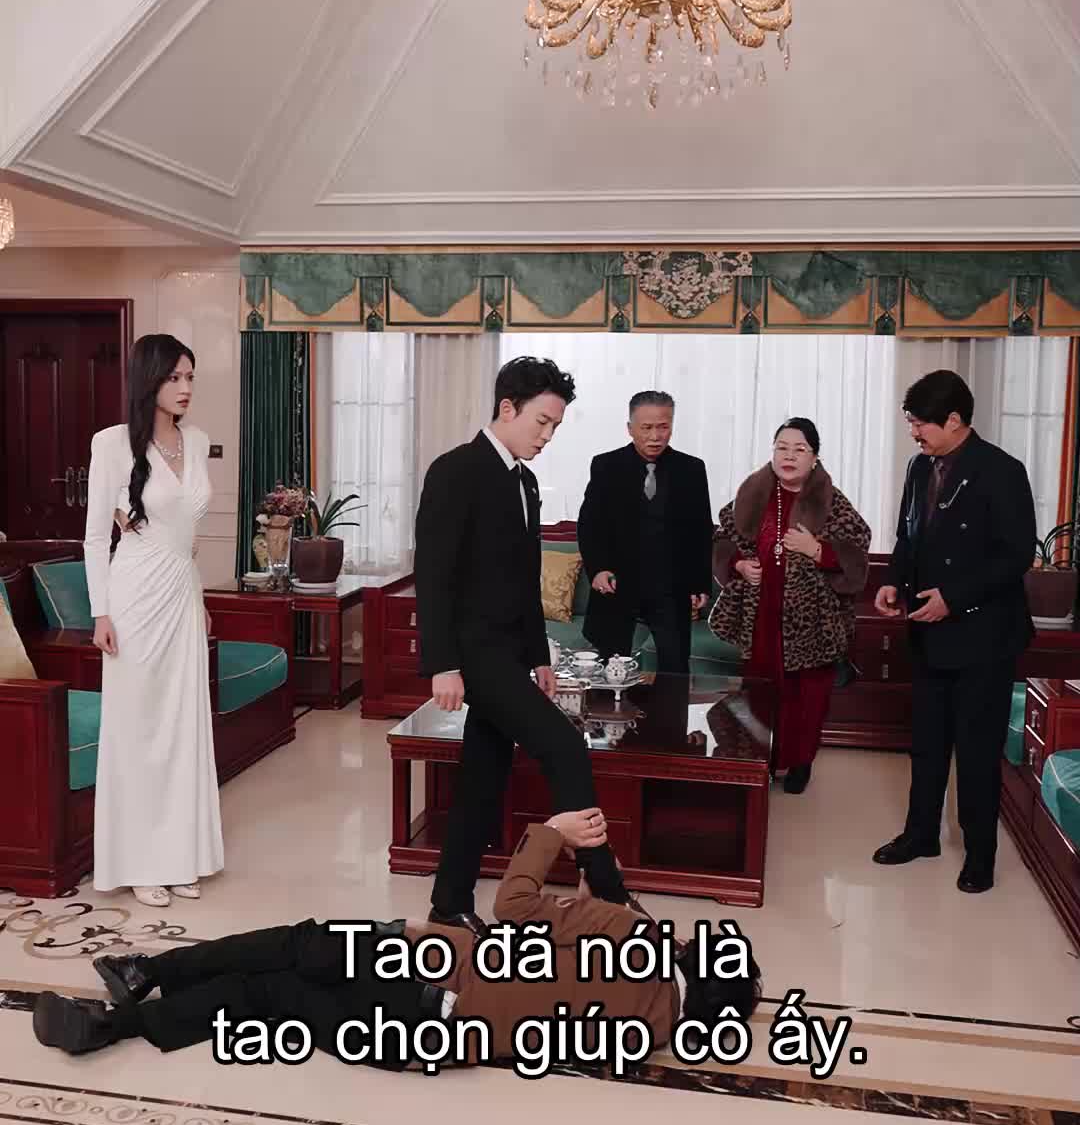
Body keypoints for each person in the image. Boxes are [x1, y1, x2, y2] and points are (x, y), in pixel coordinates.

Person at [32, 809, 761, 1063]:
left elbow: (514, 908)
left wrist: (552, 834)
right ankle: (115, 1026)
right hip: (419, 1041)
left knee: (292, 946)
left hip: (427, 966)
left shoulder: (634, 935)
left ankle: (150, 972)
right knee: (269, 998)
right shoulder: (652, 1032)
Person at [414, 356, 630, 935]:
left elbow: (525, 578)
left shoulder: (526, 482)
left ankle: (449, 902)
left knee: (483, 776)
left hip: (510, 653)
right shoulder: (454, 471)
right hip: (473, 654)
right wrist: (443, 664)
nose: (547, 435)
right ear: (507, 408)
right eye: (542, 422)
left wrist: (538, 655)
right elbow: (433, 575)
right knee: (565, 747)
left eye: (555, 425)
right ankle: (606, 889)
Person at [872, 369, 1036, 893]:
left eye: (921, 424)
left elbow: (1015, 556)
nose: (914, 433)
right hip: (928, 633)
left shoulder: (1002, 471)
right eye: (910, 422)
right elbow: (909, 536)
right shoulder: (920, 467)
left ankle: (980, 854)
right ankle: (921, 835)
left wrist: (954, 598)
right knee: (926, 744)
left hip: (983, 636)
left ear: (955, 420)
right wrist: (893, 581)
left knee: (977, 751)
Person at [84, 334, 224, 907]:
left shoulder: (198, 439)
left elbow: (186, 535)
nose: (185, 388)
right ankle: (140, 862)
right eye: (174, 378)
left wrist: (199, 597)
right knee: (140, 730)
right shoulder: (112, 443)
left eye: (190, 377)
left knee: (182, 728)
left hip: (181, 596)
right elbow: (96, 537)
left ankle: (178, 855)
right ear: (149, 380)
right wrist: (100, 612)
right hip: (134, 599)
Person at [710, 419, 870, 793]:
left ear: (814, 458)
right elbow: (721, 539)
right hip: (761, 612)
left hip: (812, 618)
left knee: (807, 697)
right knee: (760, 692)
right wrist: (738, 565)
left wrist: (818, 550)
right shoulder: (753, 494)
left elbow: (857, 553)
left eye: (799, 449)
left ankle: (800, 762)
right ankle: (761, 759)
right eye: (782, 447)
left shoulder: (831, 501)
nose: (789, 456)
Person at [577, 390, 714, 674]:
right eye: (646, 427)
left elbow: (700, 530)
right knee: (611, 670)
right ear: (630, 428)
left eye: (663, 427)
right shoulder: (606, 466)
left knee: (674, 669)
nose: (655, 436)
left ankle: (671, 705)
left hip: (670, 588)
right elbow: (590, 524)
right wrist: (598, 569)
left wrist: (700, 583)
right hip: (618, 584)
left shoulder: (691, 469)